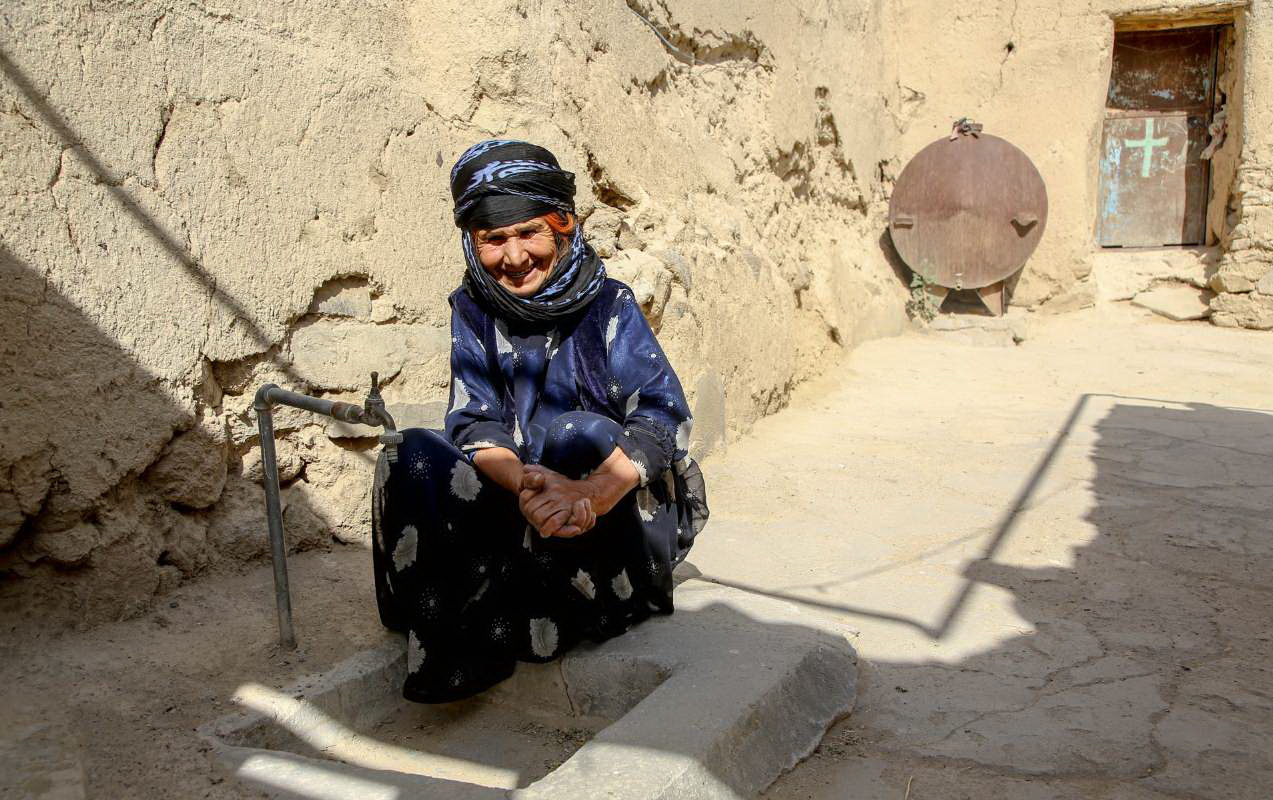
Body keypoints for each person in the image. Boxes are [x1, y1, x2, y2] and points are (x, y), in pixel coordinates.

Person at [371, 139, 708, 703]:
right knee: (412, 451)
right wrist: (526, 485)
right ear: (472, 242)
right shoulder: (473, 309)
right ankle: (460, 651)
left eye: (529, 232)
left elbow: (662, 414)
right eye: (493, 239)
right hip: (527, 498)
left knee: (574, 432)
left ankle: (572, 603)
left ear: (562, 228)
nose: (514, 257)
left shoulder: (609, 305)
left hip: (610, 508)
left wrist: (590, 492)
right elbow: (474, 419)